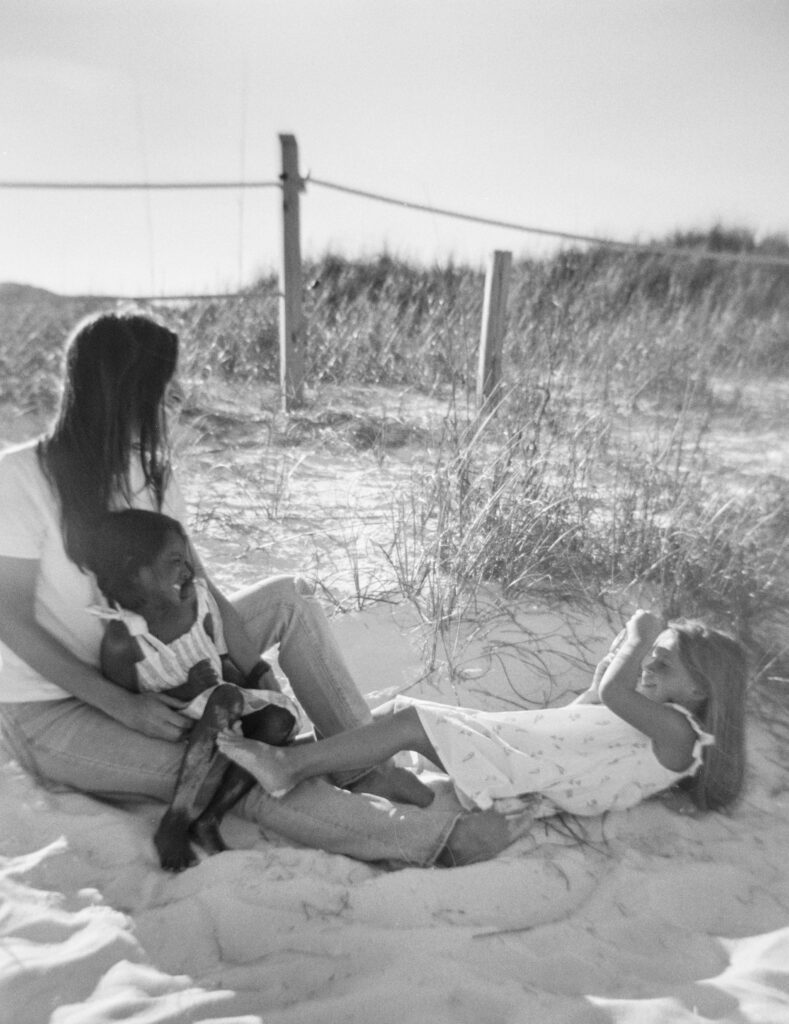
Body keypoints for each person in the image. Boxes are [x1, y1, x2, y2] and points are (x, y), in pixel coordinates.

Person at [0, 308, 528, 871]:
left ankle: (357, 765)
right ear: (120, 393)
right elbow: (8, 618)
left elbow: (200, 586)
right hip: (56, 710)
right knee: (233, 764)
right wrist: (123, 707)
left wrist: (255, 676)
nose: (172, 401)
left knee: (288, 601)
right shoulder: (18, 479)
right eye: (161, 388)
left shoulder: (150, 477)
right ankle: (433, 841)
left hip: (166, 668)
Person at [217, 610, 748, 820]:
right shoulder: (652, 718)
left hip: (533, 769)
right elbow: (587, 708)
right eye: (650, 660)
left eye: (662, 663)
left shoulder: (680, 734)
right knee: (404, 712)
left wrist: (637, 639)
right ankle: (313, 755)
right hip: (527, 747)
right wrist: (615, 659)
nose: (647, 670)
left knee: (409, 723)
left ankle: (290, 767)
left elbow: (613, 695)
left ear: (700, 690)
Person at [87, 507, 299, 870]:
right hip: (181, 731)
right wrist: (187, 689)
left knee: (278, 717)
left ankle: (210, 818)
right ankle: (177, 818)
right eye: (174, 562)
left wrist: (245, 676)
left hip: (223, 712)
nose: (188, 571)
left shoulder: (198, 604)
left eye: (187, 560)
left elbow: (220, 659)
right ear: (136, 573)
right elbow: (131, 706)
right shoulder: (125, 641)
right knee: (227, 696)